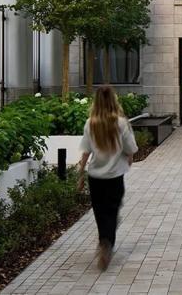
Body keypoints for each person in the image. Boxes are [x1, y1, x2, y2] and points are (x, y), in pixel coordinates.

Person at [76, 85, 138, 270]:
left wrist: (80, 173)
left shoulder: (90, 123)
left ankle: (104, 239)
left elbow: (86, 152)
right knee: (112, 210)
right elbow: (130, 148)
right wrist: (129, 158)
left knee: (100, 211)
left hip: (95, 176)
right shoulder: (121, 123)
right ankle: (107, 243)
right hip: (115, 176)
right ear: (113, 100)